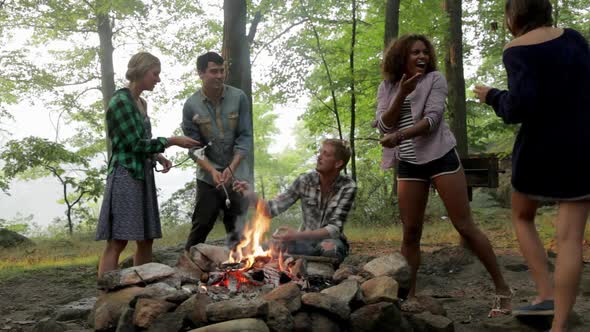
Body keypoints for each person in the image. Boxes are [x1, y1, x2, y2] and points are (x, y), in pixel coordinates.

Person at [375, 34, 512, 317]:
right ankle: (409, 297)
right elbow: (383, 124)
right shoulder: (387, 86)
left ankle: (502, 289)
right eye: (415, 53)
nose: (422, 57)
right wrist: (401, 93)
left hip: (440, 157)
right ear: (401, 57)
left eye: (425, 52)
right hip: (410, 164)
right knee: (411, 232)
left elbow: (432, 120)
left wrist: (398, 135)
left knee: (464, 226)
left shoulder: (435, 80)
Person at [474, 0, 590, 329]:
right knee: (570, 240)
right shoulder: (574, 38)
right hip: (583, 146)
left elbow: (519, 107)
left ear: (513, 16)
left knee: (522, 216)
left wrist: (491, 96)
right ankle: (559, 324)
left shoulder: (516, 50)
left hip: (540, 150)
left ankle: (545, 294)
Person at [96, 52, 200, 277]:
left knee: (145, 238)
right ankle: (107, 296)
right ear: (142, 72)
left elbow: (140, 141)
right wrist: (171, 142)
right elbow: (132, 144)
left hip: (142, 175)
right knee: (118, 240)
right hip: (125, 175)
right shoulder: (120, 102)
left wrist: (156, 156)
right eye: (155, 74)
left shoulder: (141, 102)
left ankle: (141, 287)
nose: (158, 79)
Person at [235, 139, 357, 263]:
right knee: (263, 249)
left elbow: (334, 229)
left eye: (326, 154)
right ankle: (297, 262)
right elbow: (270, 209)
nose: (319, 157)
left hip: (329, 240)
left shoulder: (347, 186)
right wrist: (251, 195)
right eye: (320, 152)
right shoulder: (304, 180)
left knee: (331, 252)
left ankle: (311, 267)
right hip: (303, 241)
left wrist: (297, 235)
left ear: (338, 163)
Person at [182, 51, 253, 252]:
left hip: (238, 173)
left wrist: (231, 169)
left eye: (222, 71)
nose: (220, 76)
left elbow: (245, 137)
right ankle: (187, 267)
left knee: (237, 229)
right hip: (208, 176)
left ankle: (240, 271)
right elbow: (193, 147)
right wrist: (212, 171)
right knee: (202, 224)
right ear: (201, 73)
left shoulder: (239, 98)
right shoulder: (191, 105)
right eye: (214, 71)